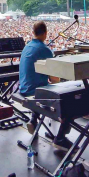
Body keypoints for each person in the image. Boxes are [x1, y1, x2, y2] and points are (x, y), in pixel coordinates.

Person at [19, 21, 72, 151]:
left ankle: (33, 120)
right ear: (45, 34)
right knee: (70, 98)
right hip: (34, 91)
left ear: (33, 33)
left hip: (24, 88)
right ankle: (60, 138)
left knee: (42, 85)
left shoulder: (27, 46)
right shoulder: (45, 50)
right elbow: (54, 79)